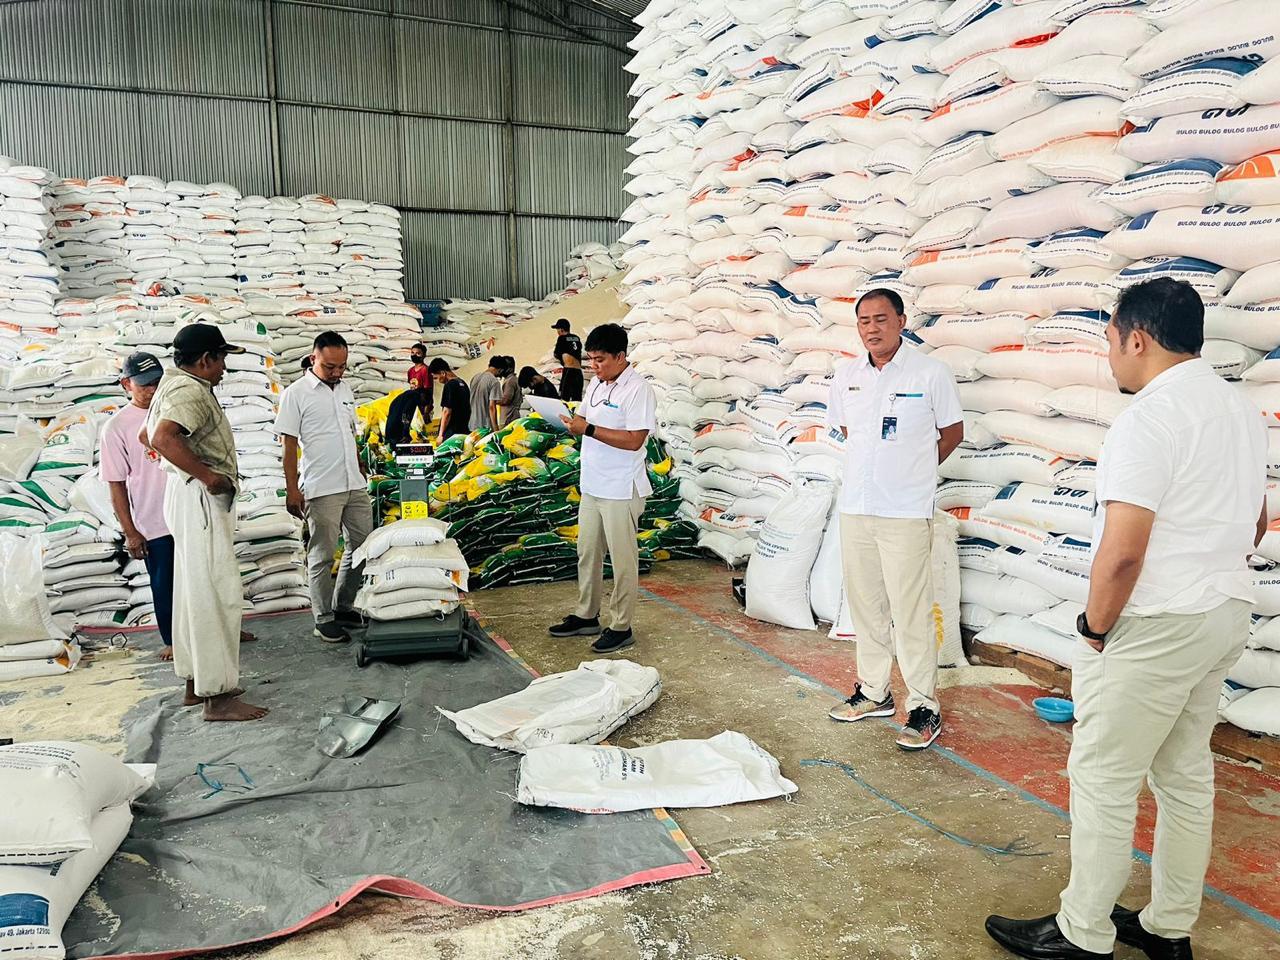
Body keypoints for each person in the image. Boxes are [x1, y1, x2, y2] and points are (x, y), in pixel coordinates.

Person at [986, 279, 1268, 960]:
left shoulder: (1148, 420)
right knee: (1185, 778)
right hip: (1222, 613)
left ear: (1137, 339)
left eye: (1111, 342)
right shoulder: (1240, 411)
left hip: (1156, 623)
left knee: (1105, 780)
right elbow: (1256, 520)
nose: (1111, 357)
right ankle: (1169, 929)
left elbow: (1121, 555)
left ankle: (1084, 935)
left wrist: (1093, 628)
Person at [825, 288, 964, 751]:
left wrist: (915, 471)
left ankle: (924, 704)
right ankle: (874, 691)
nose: (871, 328)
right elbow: (849, 432)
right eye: (863, 320)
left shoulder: (930, 372)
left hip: (905, 510)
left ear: (902, 321)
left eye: (881, 319)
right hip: (857, 508)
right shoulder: (846, 376)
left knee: (910, 612)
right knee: (866, 606)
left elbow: (952, 432)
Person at [143, 321, 268, 722]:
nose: (224, 369)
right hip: (199, 499)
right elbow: (162, 438)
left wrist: (186, 469)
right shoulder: (190, 390)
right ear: (205, 359)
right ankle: (219, 696)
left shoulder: (170, 385)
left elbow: (150, 437)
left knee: (192, 591)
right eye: (221, 359)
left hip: (184, 495)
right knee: (216, 594)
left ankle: (195, 684)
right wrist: (209, 476)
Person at [550, 323, 656, 654]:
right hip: (593, 484)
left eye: (600, 360)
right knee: (588, 552)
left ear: (621, 356)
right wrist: (569, 425)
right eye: (591, 360)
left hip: (621, 487)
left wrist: (590, 429)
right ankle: (586, 615)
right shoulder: (595, 384)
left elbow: (636, 440)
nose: (594, 366)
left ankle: (621, 625)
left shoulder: (638, 390)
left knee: (623, 561)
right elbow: (581, 423)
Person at [275, 331, 373, 645]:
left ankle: (344, 606)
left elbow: (349, 432)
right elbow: (288, 445)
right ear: (313, 357)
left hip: (353, 484)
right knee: (321, 554)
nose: (337, 373)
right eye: (330, 366)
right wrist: (292, 488)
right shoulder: (296, 393)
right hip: (322, 486)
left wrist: (359, 463)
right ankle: (323, 618)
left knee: (362, 547)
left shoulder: (345, 390)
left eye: (342, 366)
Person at [100, 352, 173, 661]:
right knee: (165, 586)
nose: (153, 390)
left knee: (206, 578)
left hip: (189, 514)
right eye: (145, 385)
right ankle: (172, 640)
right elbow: (115, 484)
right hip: (153, 520)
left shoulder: (172, 411)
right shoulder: (116, 427)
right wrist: (131, 532)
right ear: (126, 384)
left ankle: (221, 630)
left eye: (158, 382)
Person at [430, 358, 471, 442]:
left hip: (451, 432)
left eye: (436, 378)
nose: (437, 381)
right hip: (463, 430)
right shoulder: (463, 383)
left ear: (443, 373)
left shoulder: (450, 385)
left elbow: (447, 412)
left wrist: (441, 435)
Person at [384, 385, 428, 449]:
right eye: (425, 400)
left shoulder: (406, 395)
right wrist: (405, 433)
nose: (423, 403)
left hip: (391, 429)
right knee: (400, 451)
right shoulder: (414, 396)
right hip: (396, 430)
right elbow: (406, 414)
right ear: (422, 395)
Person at [468, 355, 503, 435]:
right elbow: (492, 407)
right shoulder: (494, 381)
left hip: (472, 424)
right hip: (485, 426)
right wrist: (496, 430)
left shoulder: (475, 377)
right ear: (500, 370)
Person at [553, 319, 585, 403]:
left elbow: (556, 354)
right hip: (578, 372)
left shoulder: (561, 339)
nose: (557, 331)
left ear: (561, 329)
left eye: (557, 329)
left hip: (569, 371)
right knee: (577, 399)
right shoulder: (576, 338)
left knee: (564, 399)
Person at [407, 342, 433, 425]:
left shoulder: (425, 370)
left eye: (418, 353)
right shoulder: (410, 370)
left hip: (424, 407)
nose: (414, 355)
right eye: (412, 353)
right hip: (414, 405)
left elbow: (428, 392)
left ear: (424, 355)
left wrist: (426, 412)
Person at [497, 356, 523, 428]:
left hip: (508, 418)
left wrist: (492, 400)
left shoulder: (510, 381)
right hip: (512, 417)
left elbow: (506, 400)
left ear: (510, 368)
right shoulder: (513, 379)